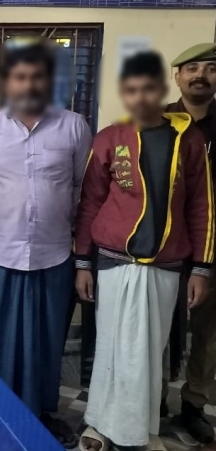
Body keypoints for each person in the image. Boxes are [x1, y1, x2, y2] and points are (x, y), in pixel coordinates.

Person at [76, 51, 213, 451]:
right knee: (110, 347)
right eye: (132, 89)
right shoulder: (109, 138)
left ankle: (140, 431)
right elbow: (90, 201)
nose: (141, 97)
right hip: (113, 261)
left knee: (149, 352)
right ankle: (99, 423)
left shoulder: (187, 138)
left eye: (149, 88)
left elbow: (201, 206)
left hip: (166, 264)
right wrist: (83, 262)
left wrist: (201, 269)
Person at [0, 39, 92, 447]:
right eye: (20, 76)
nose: (28, 84)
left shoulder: (74, 126)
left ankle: (43, 413)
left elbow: (82, 188)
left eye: (37, 76)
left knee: (47, 340)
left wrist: (79, 254)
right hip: (0, 253)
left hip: (54, 254)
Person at [163, 43, 216, 444]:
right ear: (177, 75)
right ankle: (153, 399)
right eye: (192, 68)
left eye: (211, 68)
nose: (201, 75)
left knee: (208, 333)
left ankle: (194, 404)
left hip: (213, 250)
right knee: (158, 330)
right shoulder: (156, 122)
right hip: (164, 248)